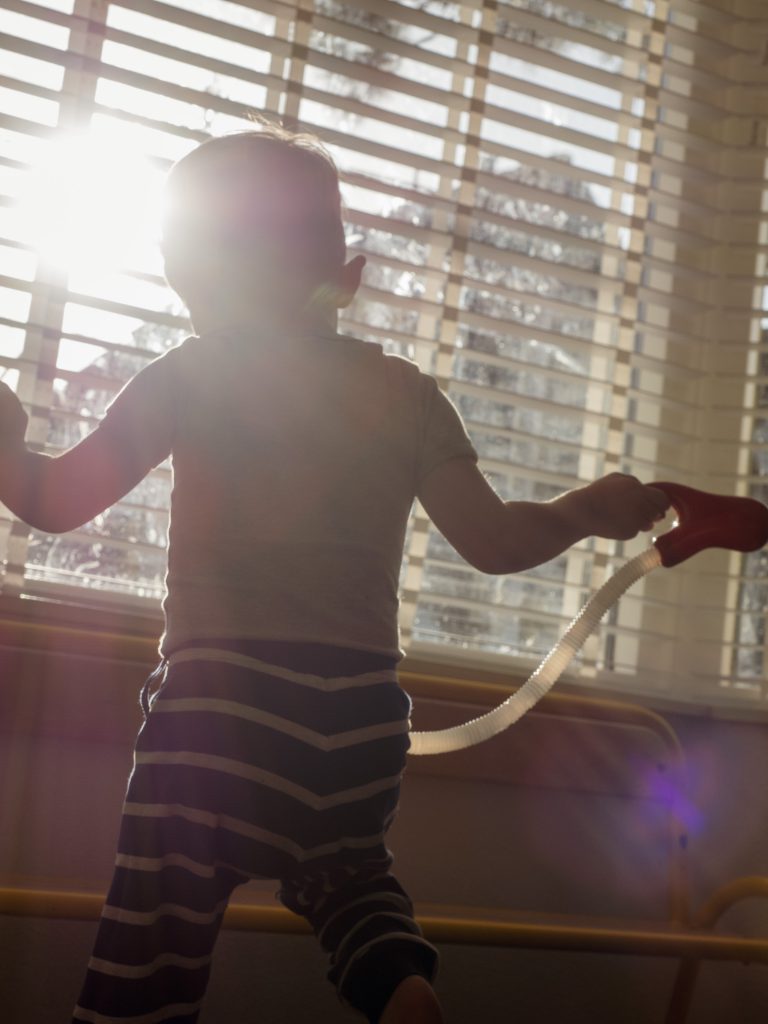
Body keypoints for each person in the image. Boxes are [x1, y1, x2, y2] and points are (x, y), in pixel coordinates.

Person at [0, 122, 671, 1024]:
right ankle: (402, 990)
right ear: (347, 276)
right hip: (357, 723)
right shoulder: (405, 393)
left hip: (221, 713)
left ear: (186, 276)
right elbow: (497, 544)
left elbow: (54, 502)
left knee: (152, 947)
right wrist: (591, 509)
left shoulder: (191, 374)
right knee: (351, 885)